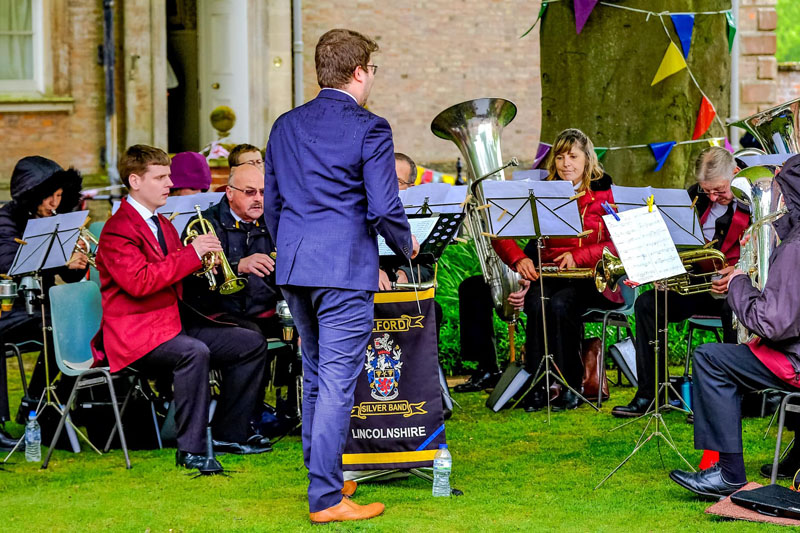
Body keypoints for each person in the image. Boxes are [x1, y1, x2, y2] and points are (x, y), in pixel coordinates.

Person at [264, 28, 418, 524]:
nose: (372, 78)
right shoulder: (370, 127)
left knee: (316, 376)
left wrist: (287, 248)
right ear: (358, 72)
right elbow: (383, 202)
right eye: (371, 69)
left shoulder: (285, 125)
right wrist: (404, 242)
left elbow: (273, 204)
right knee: (334, 381)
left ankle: (324, 477)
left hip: (295, 262)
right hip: (342, 267)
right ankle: (327, 498)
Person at [92, 145, 270, 472]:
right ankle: (191, 450)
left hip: (171, 323)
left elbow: (179, 275)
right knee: (194, 352)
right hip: (136, 334)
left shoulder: (163, 224)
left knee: (250, 343)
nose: (169, 184)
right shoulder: (117, 229)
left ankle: (231, 433)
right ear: (135, 181)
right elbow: (139, 283)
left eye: (168, 176)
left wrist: (212, 266)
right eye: (160, 177)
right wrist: (192, 254)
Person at [669, 154, 800, 499]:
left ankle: (728, 473)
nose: (777, 200)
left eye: (779, 191)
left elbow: (771, 323)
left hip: (795, 359)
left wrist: (740, 282)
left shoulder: (795, 247)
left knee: (710, 359)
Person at [612, 146, 749, 418]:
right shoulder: (693, 196)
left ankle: (734, 398)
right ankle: (651, 394)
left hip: (739, 286)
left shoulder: (755, 194)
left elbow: (769, 248)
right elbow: (673, 240)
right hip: (698, 284)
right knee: (647, 305)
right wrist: (664, 270)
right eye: (706, 189)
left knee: (731, 308)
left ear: (735, 173)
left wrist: (738, 272)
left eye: (719, 190)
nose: (711, 196)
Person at [493, 128, 621, 411]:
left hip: (594, 279)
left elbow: (620, 240)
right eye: (560, 157)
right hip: (552, 273)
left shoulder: (607, 194)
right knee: (537, 303)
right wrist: (518, 260)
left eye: (573, 156)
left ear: (587, 159)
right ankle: (538, 384)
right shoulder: (540, 192)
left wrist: (579, 255)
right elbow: (500, 231)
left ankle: (570, 384)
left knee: (562, 304)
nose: (566, 164)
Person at [182, 163, 287, 436]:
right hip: (216, 313)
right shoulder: (205, 224)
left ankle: (289, 412)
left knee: (309, 331)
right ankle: (241, 422)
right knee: (250, 336)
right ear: (229, 193)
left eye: (264, 192)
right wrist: (238, 265)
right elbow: (189, 278)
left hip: (266, 310)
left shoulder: (275, 222)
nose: (258, 199)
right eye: (250, 192)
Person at [0, 156, 87, 449]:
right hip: (9, 309)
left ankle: (39, 405)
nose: (54, 203)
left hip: (40, 310)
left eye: (60, 196)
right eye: (50, 196)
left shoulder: (52, 219)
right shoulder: (6, 219)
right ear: (32, 193)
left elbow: (66, 276)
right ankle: (31, 406)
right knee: (57, 324)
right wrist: (60, 258)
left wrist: (76, 264)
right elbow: (7, 262)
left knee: (76, 327)